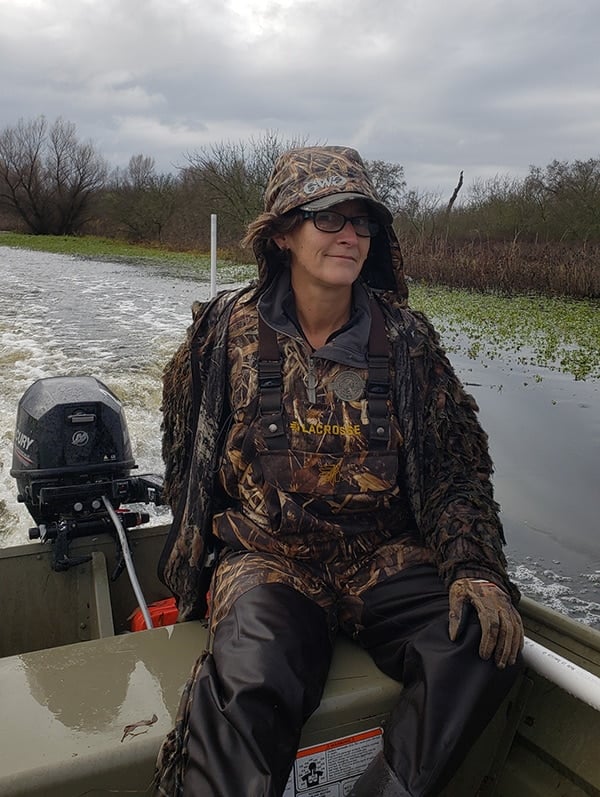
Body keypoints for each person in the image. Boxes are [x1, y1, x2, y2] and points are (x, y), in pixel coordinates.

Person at [154, 145, 524, 797]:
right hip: (270, 559)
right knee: (249, 683)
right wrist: (190, 566)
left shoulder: (408, 339)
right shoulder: (223, 331)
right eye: (330, 218)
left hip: (381, 558)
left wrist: (472, 566)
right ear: (283, 234)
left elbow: (455, 471)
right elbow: (188, 448)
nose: (350, 234)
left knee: (480, 641)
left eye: (363, 220)